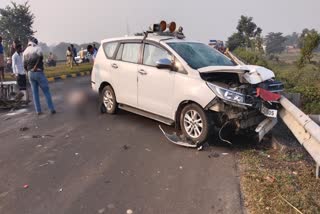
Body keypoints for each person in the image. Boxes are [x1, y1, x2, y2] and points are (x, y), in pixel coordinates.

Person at [23, 37, 56, 115]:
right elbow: (40, 57)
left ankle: (38, 111)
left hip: (30, 73)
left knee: (35, 93)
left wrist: (28, 71)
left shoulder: (25, 52)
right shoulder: (37, 48)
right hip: (38, 72)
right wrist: (35, 67)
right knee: (46, 91)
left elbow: (24, 65)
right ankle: (51, 109)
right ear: (35, 42)